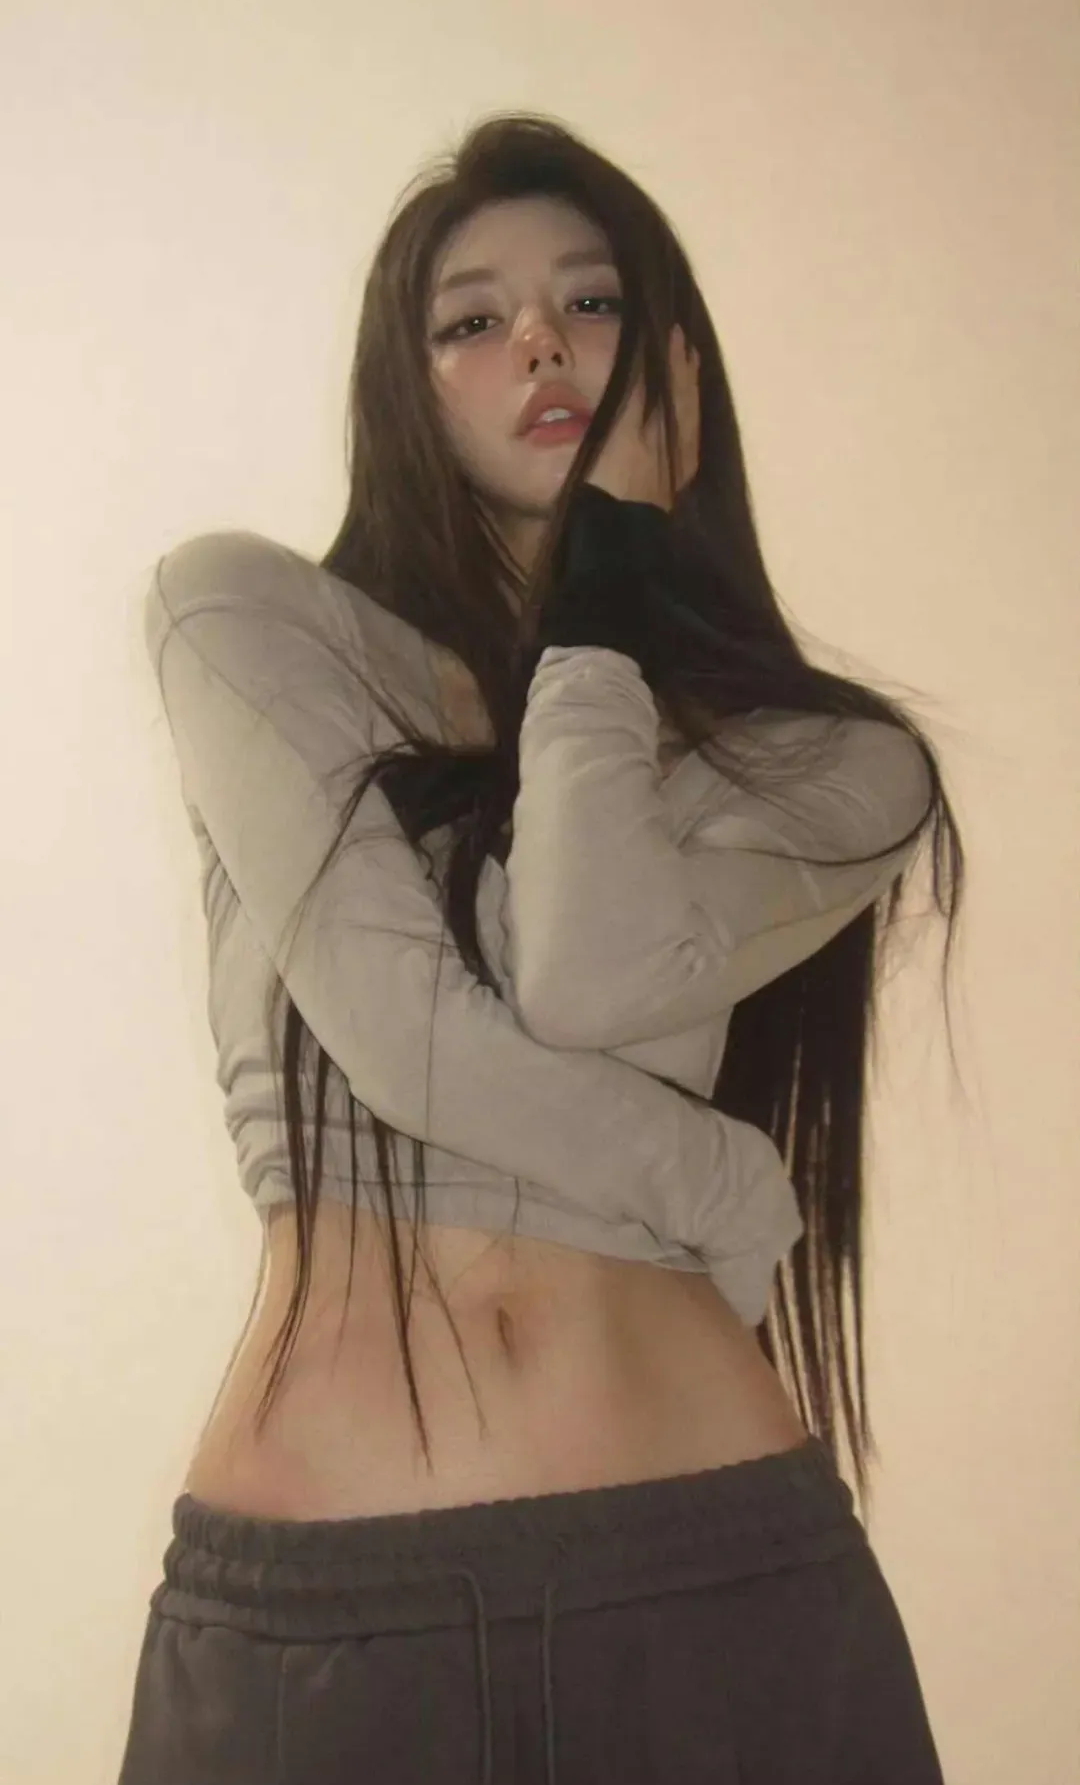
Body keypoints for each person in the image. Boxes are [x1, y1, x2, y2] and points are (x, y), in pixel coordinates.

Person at [118, 114, 962, 1782]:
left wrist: (599, 608)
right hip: (323, 1612)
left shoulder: (832, 762)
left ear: (676, 377)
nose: (542, 345)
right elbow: (397, 1028)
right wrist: (721, 1183)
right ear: (403, 387)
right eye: (473, 319)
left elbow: (584, 970)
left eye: (590, 303)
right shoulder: (248, 622)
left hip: (710, 1565)